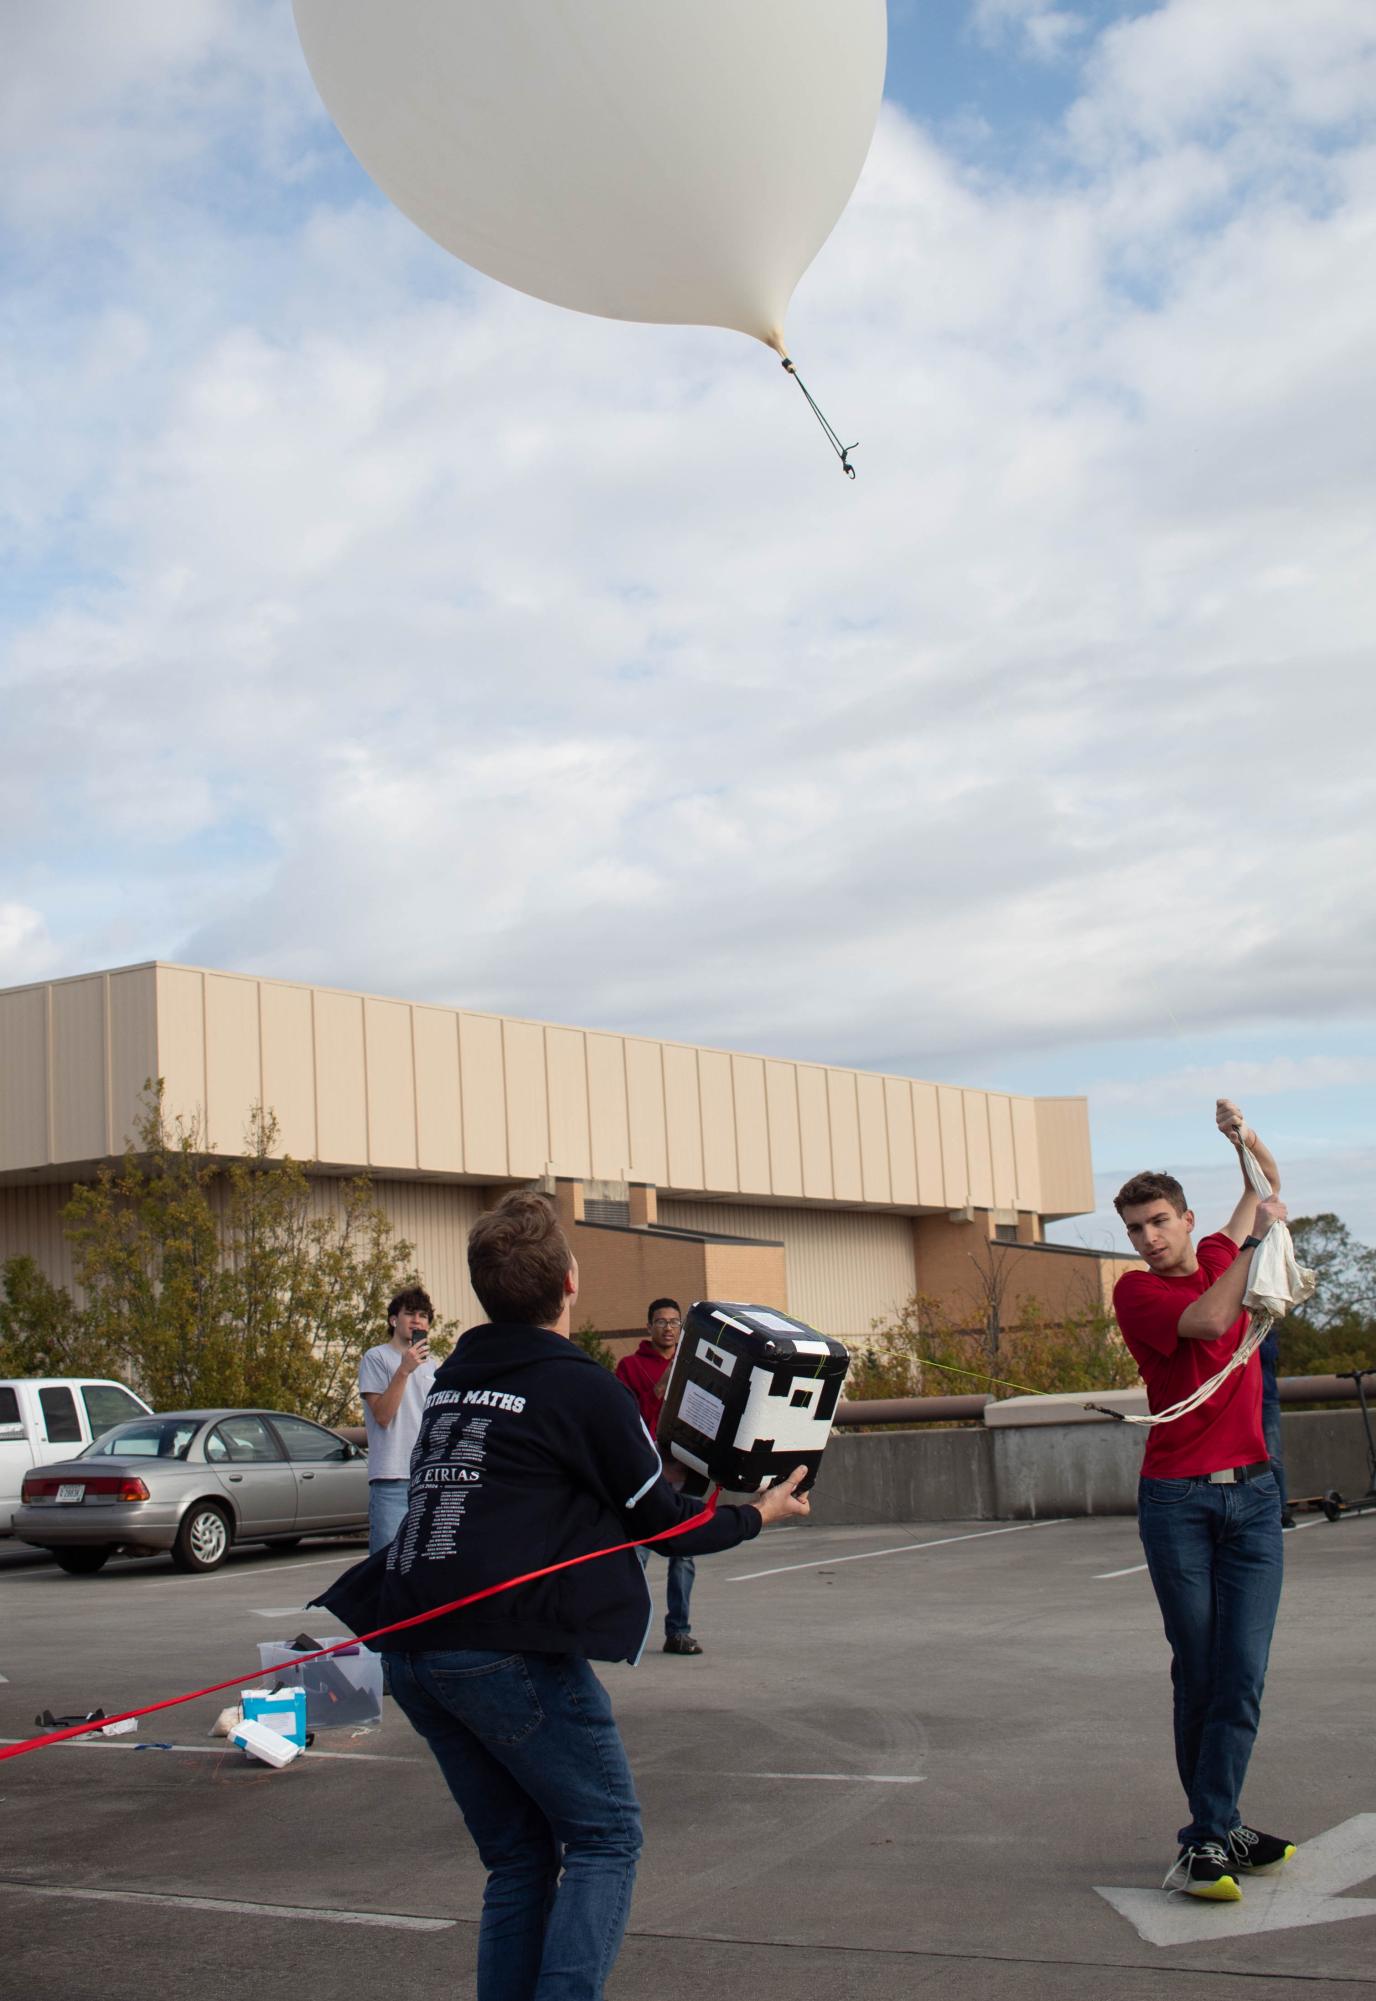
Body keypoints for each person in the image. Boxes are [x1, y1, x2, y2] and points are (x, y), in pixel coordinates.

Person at [319, 1190, 809, 2001]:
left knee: (518, 1856)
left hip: (412, 1643)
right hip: (497, 1651)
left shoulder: (454, 1379)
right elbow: (664, 1526)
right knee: (607, 1835)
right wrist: (760, 1513)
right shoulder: (582, 1387)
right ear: (571, 1281)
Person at [1112, 1098, 1296, 1902]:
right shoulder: (1138, 1293)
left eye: (1158, 1222)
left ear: (1187, 1219)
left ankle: (1215, 1828)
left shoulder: (1221, 1245)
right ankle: (1212, 1832)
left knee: (1243, 1671)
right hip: (1179, 1502)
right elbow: (1212, 1314)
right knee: (1201, 1669)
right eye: (1135, 1228)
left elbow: (1269, 1183)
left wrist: (1243, 1138)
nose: (1149, 1239)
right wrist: (1252, 1244)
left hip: (1253, 1499)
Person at [615, 1298, 701, 1654]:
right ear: (648, 1327)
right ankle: (621, 1629)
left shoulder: (695, 1367)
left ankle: (678, 1631)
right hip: (647, 1474)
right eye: (661, 1321)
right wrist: (661, 1387)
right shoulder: (630, 1367)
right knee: (637, 1553)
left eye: (675, 1322)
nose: (668, 1328)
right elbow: (626, 1420)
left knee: (684, 1555)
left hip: (687, 1470)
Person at [358, 1286, 437, 1554]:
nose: (417, 1320)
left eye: (423, 1315)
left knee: (423, 1563)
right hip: (392, 1477)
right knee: (384, 1562)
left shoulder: (434, 1366)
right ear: (394, 1319)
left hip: (427, 1476)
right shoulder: (376, 1357)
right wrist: (404, 1370)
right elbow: (382, 1415)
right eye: (410, 1314)